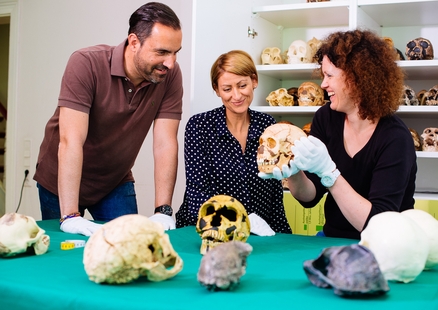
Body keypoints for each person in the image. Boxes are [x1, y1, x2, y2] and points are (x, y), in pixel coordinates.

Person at [33, 2, 183, 236]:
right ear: (134, 43)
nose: (170, 63)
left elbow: (165, 143)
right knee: (64, 254)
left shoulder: (169, 76)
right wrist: (71, 215)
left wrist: (163, 209)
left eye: (175, 52)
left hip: (114, 180)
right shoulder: (86, 63)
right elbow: (71, 140)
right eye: (162, 52)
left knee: (128, 246)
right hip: (60, 179)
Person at [260, 29, 417, 239]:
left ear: (357, 79)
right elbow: (310, 198)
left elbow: (377, 224)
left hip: (387, 245)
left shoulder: (395, 138)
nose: (323, 84)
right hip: (331, 237)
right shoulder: (326, 118)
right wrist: (294, 171)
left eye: (329, 75)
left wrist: (330, 173)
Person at [175, 50, 292, 235]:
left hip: (258, 235)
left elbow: (274, 195)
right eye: (227, 89)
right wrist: (240, 220)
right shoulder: (200, 126)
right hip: (208, 232)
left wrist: (283, 236)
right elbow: (196, 195)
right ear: (217, 90)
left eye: (242, 85)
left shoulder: (267, 125)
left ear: (254, 81)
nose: (236, 96)